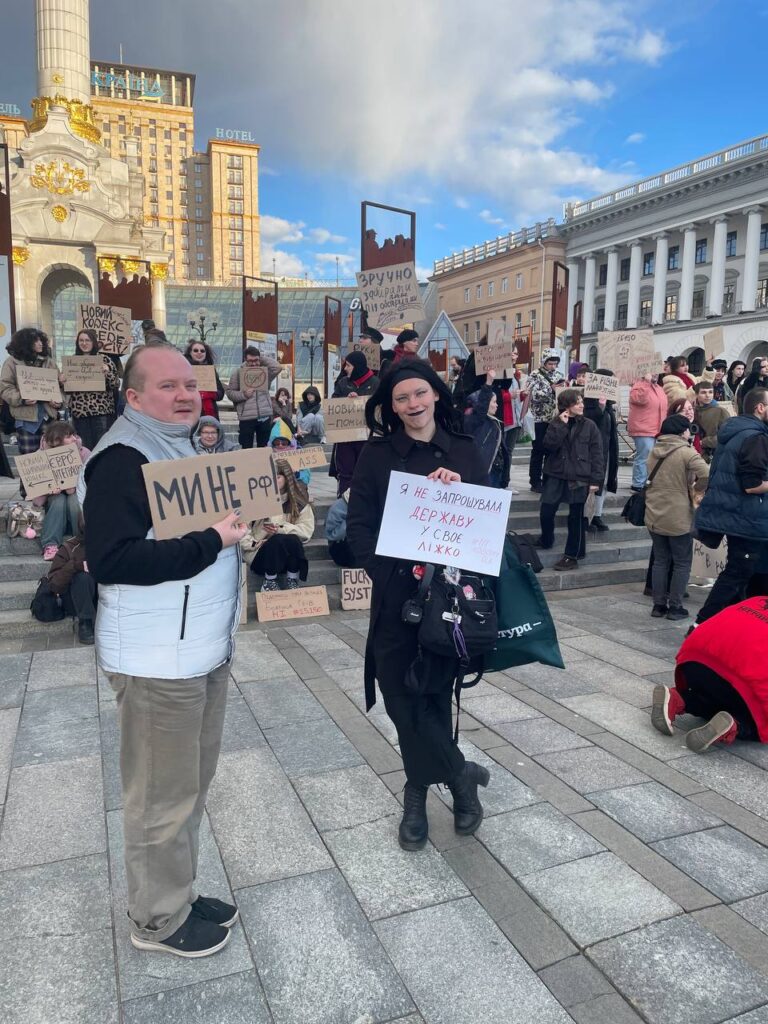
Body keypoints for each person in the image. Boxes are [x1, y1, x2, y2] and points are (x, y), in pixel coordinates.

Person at [81, 344, 248, 959]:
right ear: (133, 397)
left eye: (190, 384)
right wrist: (213, 540)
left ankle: (178, 891)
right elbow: (114, 559)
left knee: (188, 787)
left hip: (199, 649)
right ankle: (156, 919)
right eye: (167, 386)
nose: (185, 395)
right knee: (159, 798)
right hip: (158, 660)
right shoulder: (122, 458)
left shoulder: (179, 445)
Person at [347, 359, 490, 852]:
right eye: (401, 398)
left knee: (430, 695)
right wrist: (381, 571)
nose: (412, 405)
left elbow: (485, 525)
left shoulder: (466, 451)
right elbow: (358, 525)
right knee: (397, 695)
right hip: (395, 599)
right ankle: (459, 774)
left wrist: (462, 494)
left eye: (419, 394)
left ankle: (416, 793)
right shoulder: (377, 454)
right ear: (390, 406)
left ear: (435, 394)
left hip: (447, 602)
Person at [651, 597, 768, 752]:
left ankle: (677, 698)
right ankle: (735, 725)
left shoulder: (756, 599)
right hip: (740, 680)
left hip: (694, 661)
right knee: (756, 721)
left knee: (713, 694)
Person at [693, 387, 768, 625]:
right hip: (746, 517)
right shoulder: (754, 437)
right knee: (738, 571)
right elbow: (752, 484)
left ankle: (735, 621)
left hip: (737, 514)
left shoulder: (737, 430)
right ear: (760, 407)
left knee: (744, 571)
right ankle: (702, 623)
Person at [644, 414, 709, 620]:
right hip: (678, 514)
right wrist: (697, 490)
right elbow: (706, 474)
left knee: (660, 560)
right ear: (683, 432)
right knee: (681, 562)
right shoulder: (687, 453)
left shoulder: (654, 450)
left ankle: (658, 605)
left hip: (654, 511)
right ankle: (675, 607)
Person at [537, 388, 603, 571]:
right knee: (547, 509)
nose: (582, 405)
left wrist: (596, 481)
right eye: (577, 402)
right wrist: (560, 426)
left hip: (580, 476)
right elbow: (548, 446)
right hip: (556, 473)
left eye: (581, 401)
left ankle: (572, 555)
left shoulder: (590, 425)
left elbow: (597, 455)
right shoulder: (556, 422)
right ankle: (546, 539)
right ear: (567, 406)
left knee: (576, 517)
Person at [242, 461, 313, 591]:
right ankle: (269, 581)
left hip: (286, 556)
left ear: (287, 478)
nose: (273, 480)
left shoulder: (298, 504)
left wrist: (281, 528)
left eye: (277, 477)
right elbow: (241, 531)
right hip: (258, 554)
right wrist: (254, 543)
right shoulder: (253, 502)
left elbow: (306, 531)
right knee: (276, 540)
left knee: (291, 538)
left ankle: (292, 579)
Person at [0, 327, 64, 457]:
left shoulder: (49, 362)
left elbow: (59, 388)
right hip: (26, 419)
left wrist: (59, 402)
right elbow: (5, 388)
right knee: (31, 462)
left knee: (53, 458)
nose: (40, 343)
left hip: (49, 418)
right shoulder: (11, 362)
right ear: (26, 343)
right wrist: (22, 399)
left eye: (41, 340)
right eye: (36, 341)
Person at [33, 421, 91, 560]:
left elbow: (93, 485)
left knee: (73, 499)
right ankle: (50, 544)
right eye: (68, 436)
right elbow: (36, 500)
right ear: (57, 439)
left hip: (77, 506)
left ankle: (82, 540)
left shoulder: (84, 453)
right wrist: (47, 490)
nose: (74, 439)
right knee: (58, 500)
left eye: (74, 435)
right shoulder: (40, 456)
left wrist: (75, 487)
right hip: (54, 510)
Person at [329, 350, 378, 497]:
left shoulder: (375, 383)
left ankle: (363, 499)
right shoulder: (343, 383)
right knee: (345, 471)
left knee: (364, 470)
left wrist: (362, 399)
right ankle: (343, 499)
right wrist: (346, 398)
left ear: (357, 366)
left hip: (366, 437)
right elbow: (333, 402)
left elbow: (379, 406)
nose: (345, 368)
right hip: (346, 436)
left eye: (348, 365)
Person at [63, 329, 120, 449]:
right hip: (80, 413)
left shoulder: (105, 359)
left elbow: (115, 384)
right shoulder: (72, 361)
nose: (84, 343)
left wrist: (107, 373)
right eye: (81, 340)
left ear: (93, 342)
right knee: (84, 447)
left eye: (87, 340)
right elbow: (67, 389)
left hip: (101, 412)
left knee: (102, 447)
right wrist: (62, 381)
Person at [47, 521, 97, 644]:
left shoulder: (109, 543)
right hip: (76, 599)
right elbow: (54, 585)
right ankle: (85, 623)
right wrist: (75, 566)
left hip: (104, 597)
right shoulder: (69, 547)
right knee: (83, 578)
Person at [583, 370, 618, 531]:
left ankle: (597, 515)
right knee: (592, 483)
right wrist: (600, 408)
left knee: (603, 483)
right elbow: (588, 421)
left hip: (607, 449)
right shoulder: (588, 401)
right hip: (593, 451)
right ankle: (585, 517)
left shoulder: (610, 404)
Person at [226, 346, 280, 449]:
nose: (254, 363)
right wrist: (244, 395)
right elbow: (230, 393)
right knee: (246, 448)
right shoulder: (238, 373)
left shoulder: (264, 372)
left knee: (264, 447)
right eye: (250, 361)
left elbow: (277, 367)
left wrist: (261, 358)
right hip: (247, 417)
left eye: (256, 360)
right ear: (245, 360)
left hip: (264, 415)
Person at [463, 372, 510, 488]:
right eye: (493, 402)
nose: (497, 405)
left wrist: (505, 476)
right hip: (484, 472)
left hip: (496, 470)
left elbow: (503, 452)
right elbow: (481, 407)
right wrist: (488, 382)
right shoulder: (476, 421)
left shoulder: (494, 422)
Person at [527, 353, 566, 493]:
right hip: (538, 418)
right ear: (544, 362)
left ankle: (549, 479)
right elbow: (532, 394)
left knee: (551, 451)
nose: (553, 366)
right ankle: (535, 481)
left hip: (553, 419)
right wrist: (551, 389)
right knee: (538, 450)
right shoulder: (535, 374)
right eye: (550, 363)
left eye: (555, 364)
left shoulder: (559, 375)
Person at [628, 371, 668, 491]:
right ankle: (638, 484)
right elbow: (640, 399)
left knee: (652, 457)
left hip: (657, 429)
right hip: (643, 428)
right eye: (652, 372)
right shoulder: (638, 386)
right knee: (644, 456)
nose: (655, 374)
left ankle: (648, 482)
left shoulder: (659, 388)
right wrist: (646, 382)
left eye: (657, 372)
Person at [184, 339, 225, 420]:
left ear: (206, 353)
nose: (199, 352)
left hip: (211, 413)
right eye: (195, 350)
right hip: (191, 413)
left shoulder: (211, 370)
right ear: (190, 353)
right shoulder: (184, 369)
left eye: (202, 351)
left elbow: (221, 393)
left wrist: (211, 394)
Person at [693, 381, 730, 463]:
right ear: (696, 394)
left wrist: (704, 442)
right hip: (695, 455)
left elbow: (728, 435)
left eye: (710, 392)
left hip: (715, 456)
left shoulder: (720, 411)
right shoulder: (692, 411)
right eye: (703, 392)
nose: (707, 395)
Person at [268, 418, 310, 485]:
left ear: (289, 443)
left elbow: (306, 477)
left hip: (294, 487)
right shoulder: (266, 453)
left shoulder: (298, 451)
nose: (280, 445)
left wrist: (296, 474)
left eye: (284, 443)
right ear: (272, 443)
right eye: (277, 443)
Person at [325, 489, 358, 567]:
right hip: (340, 546)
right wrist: (352, 518)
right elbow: (332, 535)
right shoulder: (337, 507)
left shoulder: (369, 505)